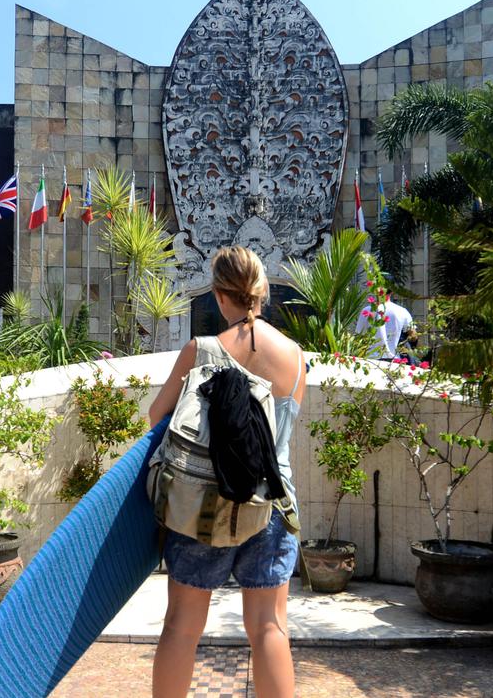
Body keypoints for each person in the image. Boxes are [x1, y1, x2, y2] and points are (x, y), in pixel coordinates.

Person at [148, 246, 305, 698]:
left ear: (219, 296)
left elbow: (157, 418)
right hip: (272, 505)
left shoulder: (202, 350)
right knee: (270, 628)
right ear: (262, 291)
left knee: (181, 626)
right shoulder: (295, 356)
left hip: (201, 506)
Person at [354, 290, 414, 361]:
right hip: (393, 360)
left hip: (370, 358)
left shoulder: (366, 310)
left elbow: (358, 336)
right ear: (392, 292)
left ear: (375, 291)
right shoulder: (402, 311)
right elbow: (413, 336)